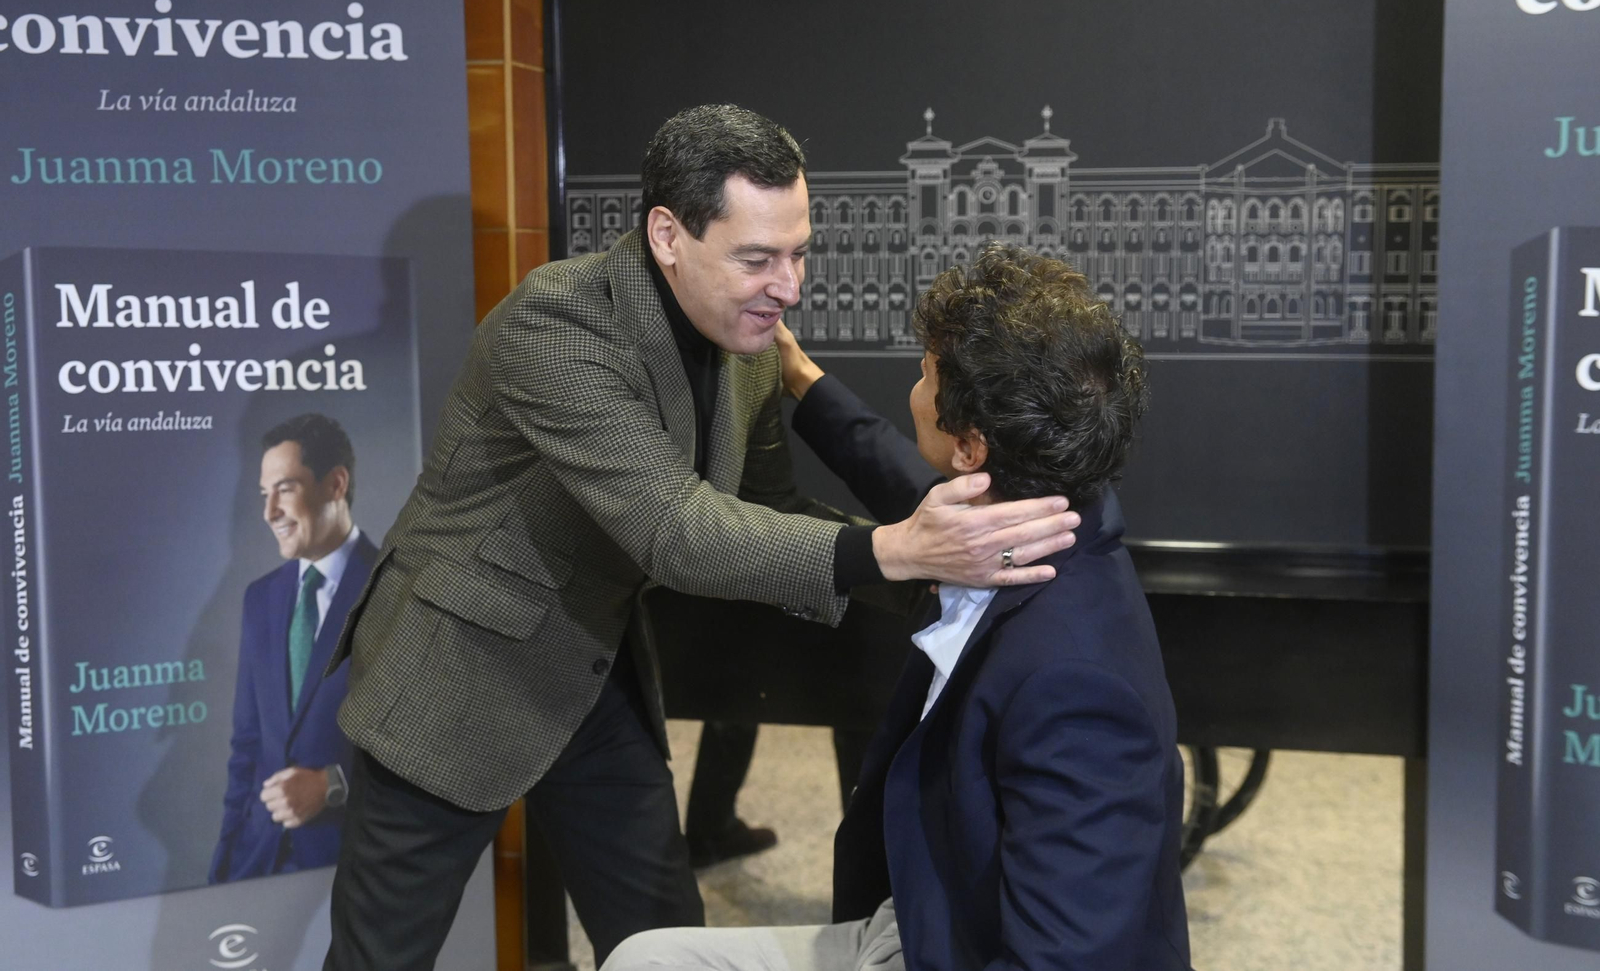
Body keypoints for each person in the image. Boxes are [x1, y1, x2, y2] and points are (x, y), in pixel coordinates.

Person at [320, 106, 1083, 970]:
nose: (788, 287)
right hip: (457, 665)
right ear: (667, 234)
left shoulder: (747, 338)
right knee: (379, 958)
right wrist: (903, 549)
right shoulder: (557, 325)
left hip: (588, 666)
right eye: (757, 259)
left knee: (661, 940)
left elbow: (768, 508)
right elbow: (673, 529)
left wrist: (933, 559)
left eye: (798, 253)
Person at [603, 242, 1192, 971]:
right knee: (644, 959)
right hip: (929, 918)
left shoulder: (1074, 685)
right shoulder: (1048, 513)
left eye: (924, 372)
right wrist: (801, 378)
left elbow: (1065, 959)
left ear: (971, 448)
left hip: (956, 947)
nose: (914, 385)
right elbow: (907, 483)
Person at [210, 414, 375, 883]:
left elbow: (430, 744)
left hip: (354, 865)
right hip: (256, 860)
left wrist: (333, 785)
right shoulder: (259, 599)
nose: (270, 513)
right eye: (265, 495)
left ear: (335, 484)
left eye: (284, 489)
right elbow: (247, 747)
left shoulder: (398, 590)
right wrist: (222, 870)